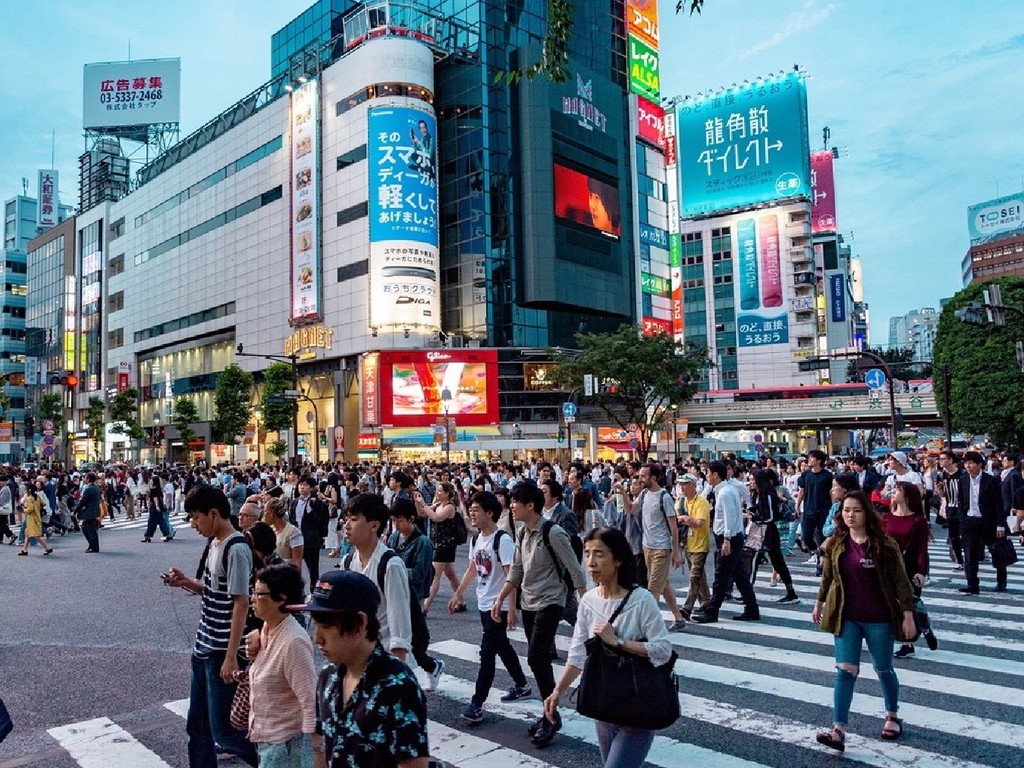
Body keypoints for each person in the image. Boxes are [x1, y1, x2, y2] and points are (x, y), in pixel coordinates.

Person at [544, 527, 672, 768]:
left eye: (600, 554)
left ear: (618, 560)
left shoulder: (641, 600)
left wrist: (618, 643)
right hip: (604, 701)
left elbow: (663, 650)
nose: (590, 562)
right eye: (588, 553)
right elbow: (577, 653)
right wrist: (557, 691)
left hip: (638, 704)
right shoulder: (589, 601)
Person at [291, 570, 430, 768]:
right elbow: (322, 745)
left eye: (327, 626)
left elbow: (413, 764)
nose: (317, 637)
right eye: (315, 624)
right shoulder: (327, 677)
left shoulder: (397, 685)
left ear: (359, 623)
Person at [812, 490, 916, 752]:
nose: (850, 515)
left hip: (879, 617)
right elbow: (828, 577)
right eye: (846, 510)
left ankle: (892, 715)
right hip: (846, 616)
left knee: (883, 669)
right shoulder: (836, 542)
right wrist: (819, 603)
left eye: (856, 510)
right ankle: (838, 729)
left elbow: (901, 582)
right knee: (845, 670)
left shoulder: (884, 544)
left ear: (866, 513)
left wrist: (908, 615)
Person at [162, 485, 258, 768]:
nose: (193, 524)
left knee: (224, 731)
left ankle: (275, 762)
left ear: (214, 514)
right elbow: (214, 590)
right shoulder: (214, 543)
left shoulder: (236, 547)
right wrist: (186, 583)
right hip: (203, 647)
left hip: (220, 652)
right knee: (198, 728)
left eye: (195, 517)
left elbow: (241, 603)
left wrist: (231, 658)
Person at [493, 480, 586, 747]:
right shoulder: (522, 533)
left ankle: (551, 716)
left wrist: (587, 604)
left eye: (514, 502)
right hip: (529, 601)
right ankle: (549, 712)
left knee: (536, 657)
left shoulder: (553, 532)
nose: (510, 507)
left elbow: (574, 568)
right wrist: (501, 598)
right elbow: (517, 571)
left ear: (529, 505)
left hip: (551, 600)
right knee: (539, 660)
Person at [449, 491, 530, 724]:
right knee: (502, 645)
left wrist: (512, 609)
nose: (472, 514)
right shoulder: (477, 539)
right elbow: (472, 569)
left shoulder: (502, 540)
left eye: (476, 509)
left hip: (499, 605)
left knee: (487, 653)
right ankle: (522, 685)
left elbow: (511, 576)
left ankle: (477, 703)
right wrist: (457, 594)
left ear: (490, 513)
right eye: (471, 509)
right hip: (485, 603)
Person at [244, 563, 319, 767]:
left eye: (259, 594)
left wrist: (314, 754)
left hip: (286, 745)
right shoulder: (268, 628)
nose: (252, 599)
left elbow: (310, 700)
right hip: (267, 738)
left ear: (282, 597)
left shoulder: (293, 642)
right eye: (253, 592)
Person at [692, 461, 760, 623]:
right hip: (729, 537)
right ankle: (752, 608)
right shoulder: (723, 490)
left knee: (721, 576)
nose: (706, 477)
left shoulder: (725, 493)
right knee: (739, 576)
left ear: (715, 475)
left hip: (728, 537)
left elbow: (729, 518)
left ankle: (712, 611)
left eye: (708, 473)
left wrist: (727, 539)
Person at [623, 463, 686, 631]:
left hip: (661, 548)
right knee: (663, 584)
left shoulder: (664, 497)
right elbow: (629, 509)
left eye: (644, 476)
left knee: (653, 590)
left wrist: (676, 552)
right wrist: (622, 492)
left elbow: (673, 527)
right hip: (647, 547)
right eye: (640, 475)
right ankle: (679, 619)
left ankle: (647, 627)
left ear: (654, 478)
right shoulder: (643, 494)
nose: (640, 479)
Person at [885, 482, 938, 658]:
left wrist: (922, 572)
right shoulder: (886, 518)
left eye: (898, 490)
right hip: (891, 566)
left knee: (910, 602)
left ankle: (918, 632)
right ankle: (913, 635)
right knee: (894, 604)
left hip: (911, 566)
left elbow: (922, 548)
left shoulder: (919, 520)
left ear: (907, 496)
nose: (894, 492)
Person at [959, 450, 1007, 594]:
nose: (968, 466)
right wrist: (963, 522)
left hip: (988, 522)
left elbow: (998, 504)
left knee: (996, 551)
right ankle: (972, 584)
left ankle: (1001, 581)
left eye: (971, 463)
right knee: (970, 554)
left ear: (980, 464)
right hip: (970, 521)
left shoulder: (991, 480)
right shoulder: (963, 479)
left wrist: (1000, 524)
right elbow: (961, 501)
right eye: (966, 463)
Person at [415, 481, 464, 615]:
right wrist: (419, 502)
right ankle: (461, 600)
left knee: (435, 575)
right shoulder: (438, 504)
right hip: (439, 544)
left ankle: (425, 606)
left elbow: (436, 517)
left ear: (447, 494)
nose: (437, 493)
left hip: (445, 545)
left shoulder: (450, 507)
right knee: (450, 574)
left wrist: (424, 505)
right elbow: (422, 513)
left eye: (440, 491)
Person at [676, 473, 710, 621]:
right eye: (680, 484)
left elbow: (699, 523)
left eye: (685, 484)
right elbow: (677, 520)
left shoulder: (701, 501)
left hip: (701, 544)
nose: (682, 487)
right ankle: (706, 603)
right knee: (700, 576)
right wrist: (687, 520)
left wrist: (686, 519)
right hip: (688, 544)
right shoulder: (681, 502)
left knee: (694, 577)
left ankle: (687, 608)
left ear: (694, 485)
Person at [290, 477, 329, 588]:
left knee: (313, 569)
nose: (302, 487)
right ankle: (296, 591)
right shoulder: (294, 502)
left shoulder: (317, 503)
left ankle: (314, 591)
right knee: (294, 568)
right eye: (300, 485)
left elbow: (320, 521)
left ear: (311, 488)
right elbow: (293, 518)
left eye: (305, 485)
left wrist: (309, 510)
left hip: (311, 540)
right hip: (296, 539)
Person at [797, 450, 834, 566]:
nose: (809, 460)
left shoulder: (827, 475)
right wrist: (797, 506)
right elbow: (801, 491)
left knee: (824, 535)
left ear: (819, 461)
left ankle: (824, 558)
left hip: (824, 510)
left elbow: (831, 493)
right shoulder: (805, 475)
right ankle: (815, 551)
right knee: (806, 536)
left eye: (811, 458)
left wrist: (833, 509)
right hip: (809, 510)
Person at [265, 497, 304, 571]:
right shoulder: (270, 530)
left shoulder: (294, 533)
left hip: (285, 576)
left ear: (272, 513)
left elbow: (297, 563)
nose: (264, 516)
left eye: (266, 512)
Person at [17, 482, 53, 556]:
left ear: (29, 490)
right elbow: (44, 504)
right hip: (37, 517)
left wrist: (24, 509)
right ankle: (24, 549)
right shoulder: (37, 497)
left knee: (36, 536)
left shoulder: (30, 498)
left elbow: (30, 509)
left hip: (31, 518)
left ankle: (48, 547)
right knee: (27, 533)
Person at [142, 474, 175, 543]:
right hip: (160, 506)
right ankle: (167, 534)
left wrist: (156, 506)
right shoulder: (159, 488)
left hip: (154, 506)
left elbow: (155, 498)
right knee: (161, 520)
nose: (150, 481)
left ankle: (148, 535)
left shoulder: (153, 489)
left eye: (151, 479)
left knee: (152, 521)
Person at [75, 473, 102, 554]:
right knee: (89, 528)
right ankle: (93, 546)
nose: (84, 479)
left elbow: (83, 501)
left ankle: (93, 546)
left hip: (89, 511)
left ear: (88, 479)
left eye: (85, 478)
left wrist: (76, 510)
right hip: (95, 510)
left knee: (89, 529)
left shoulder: (89, 489)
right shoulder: (97, 488)